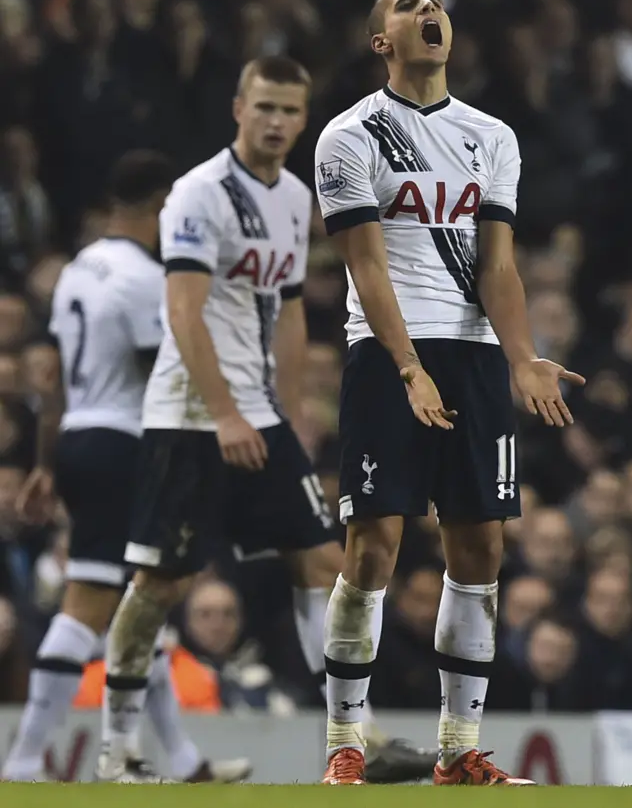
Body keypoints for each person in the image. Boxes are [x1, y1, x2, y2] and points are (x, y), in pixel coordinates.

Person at [97, 55, 435, 785]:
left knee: (323, 562)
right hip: (190, 416)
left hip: (256, 415)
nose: (277, 122)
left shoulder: (291, 197)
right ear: (238, 108)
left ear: (302, 117)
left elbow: (285, 308)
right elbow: (183, 311)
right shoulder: (196, 194)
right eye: (266, 108)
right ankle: (117, 749)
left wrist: (283, 408)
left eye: (290, 110)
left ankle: (358, 740)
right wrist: (224, 413)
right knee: (162, 581)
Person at [314, 0, 586, 786]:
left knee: (481, 548)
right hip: (385, 351)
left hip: (470, 356)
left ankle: (456, 750)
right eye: (407, 3)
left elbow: (497, 264)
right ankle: (344, 745)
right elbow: (366, 263)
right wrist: (406, 367)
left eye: (435, 2)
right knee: (374, 548)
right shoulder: (349, 135)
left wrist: (521, 354)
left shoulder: (491, 136)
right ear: (381, 40)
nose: (428, 9)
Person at [2, 151, 248, 784]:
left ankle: (183, 758)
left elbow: (54, 376)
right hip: (124, 445)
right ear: (159, 206)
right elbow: (161, 369)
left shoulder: (78, 271)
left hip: (83, 438)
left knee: (146, 606)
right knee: (88, 606)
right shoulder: (143, 278)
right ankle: (25, 761)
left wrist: (46, 462)